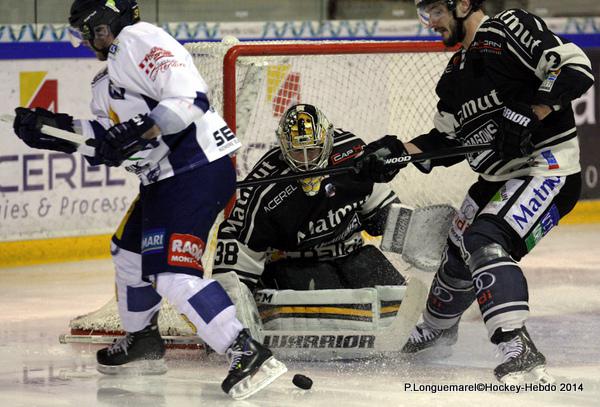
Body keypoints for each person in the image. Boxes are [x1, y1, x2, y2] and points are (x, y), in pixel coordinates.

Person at [11, 0, 285, 399]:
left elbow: (191, 100)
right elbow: (111, 141)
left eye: (89, 30)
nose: (88, 41)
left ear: (109, 21)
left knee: (172, 273)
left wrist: (143, 128)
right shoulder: (106, 81)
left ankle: (246, 350)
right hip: (164, 179)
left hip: (194, 169)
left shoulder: (139, 39)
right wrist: (55, 131)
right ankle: (143, 340)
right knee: (127, 254)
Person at [355, 0, 594, 384]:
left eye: (435, 11)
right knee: (458, 249)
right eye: (425, 13)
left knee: (486, 237)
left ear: (463, 4)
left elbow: (575, 67)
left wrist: (534, 110)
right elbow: (444, 141)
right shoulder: (454, 76)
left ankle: (518, 346)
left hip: (545, 167)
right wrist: (394, 153)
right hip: (496, 178)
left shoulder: (507, 29)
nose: (430, 22)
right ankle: (436, 331)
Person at [213, 103, 405, 293]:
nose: (306, 161)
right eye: (297, 152)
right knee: (334, 312)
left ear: (327, 139)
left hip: (353, 255)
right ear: (283, 145)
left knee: (397, 298)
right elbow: (238, 246)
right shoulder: (264, 188)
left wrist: (413, 238)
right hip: (295, 266)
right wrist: (232, 299)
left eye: (313, 150)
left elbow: (383, 211)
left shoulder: (351, 153)